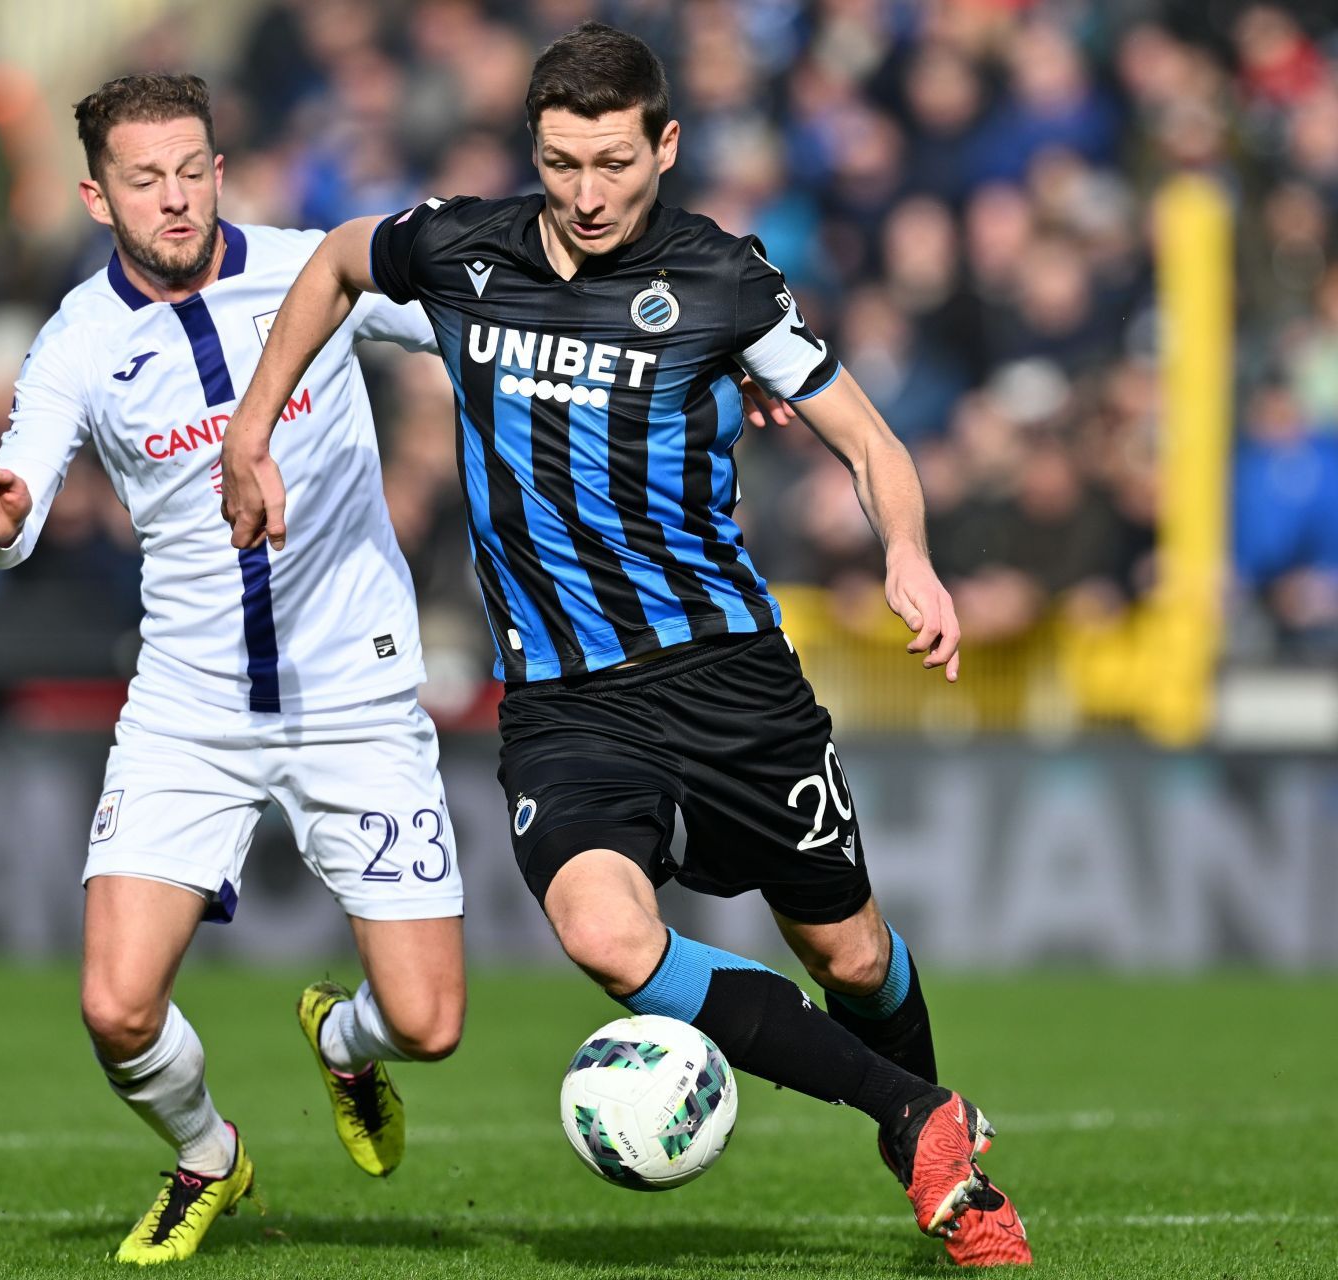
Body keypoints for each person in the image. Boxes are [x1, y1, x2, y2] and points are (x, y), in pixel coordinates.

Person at [220, 22, 1031, 1269]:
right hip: (565, 703)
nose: (586, 196)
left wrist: (906, 552)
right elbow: (333, 263)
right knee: (608, 937)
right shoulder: (462, 250)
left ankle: (928, 1127)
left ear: (665, 145)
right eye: (559, 164)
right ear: (531, 149)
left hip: (732, 682)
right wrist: (253, 430)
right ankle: (922, 1132)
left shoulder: (725, 282)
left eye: (612, 163)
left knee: (853, 954)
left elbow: (871, 443)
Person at [0, 74, 466, 1265]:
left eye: (193, 169)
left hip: (357, 698)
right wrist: (7, 514)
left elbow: (464, 316)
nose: (176, 198)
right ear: (97, 195)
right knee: (115, 1005)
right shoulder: (79, 338)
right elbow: (21, 494)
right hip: (190, 707)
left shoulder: (317, 267)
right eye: (146, 178)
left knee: (428, 1023)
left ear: (220, 169)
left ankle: (344, 1044)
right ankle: (208, 1155)